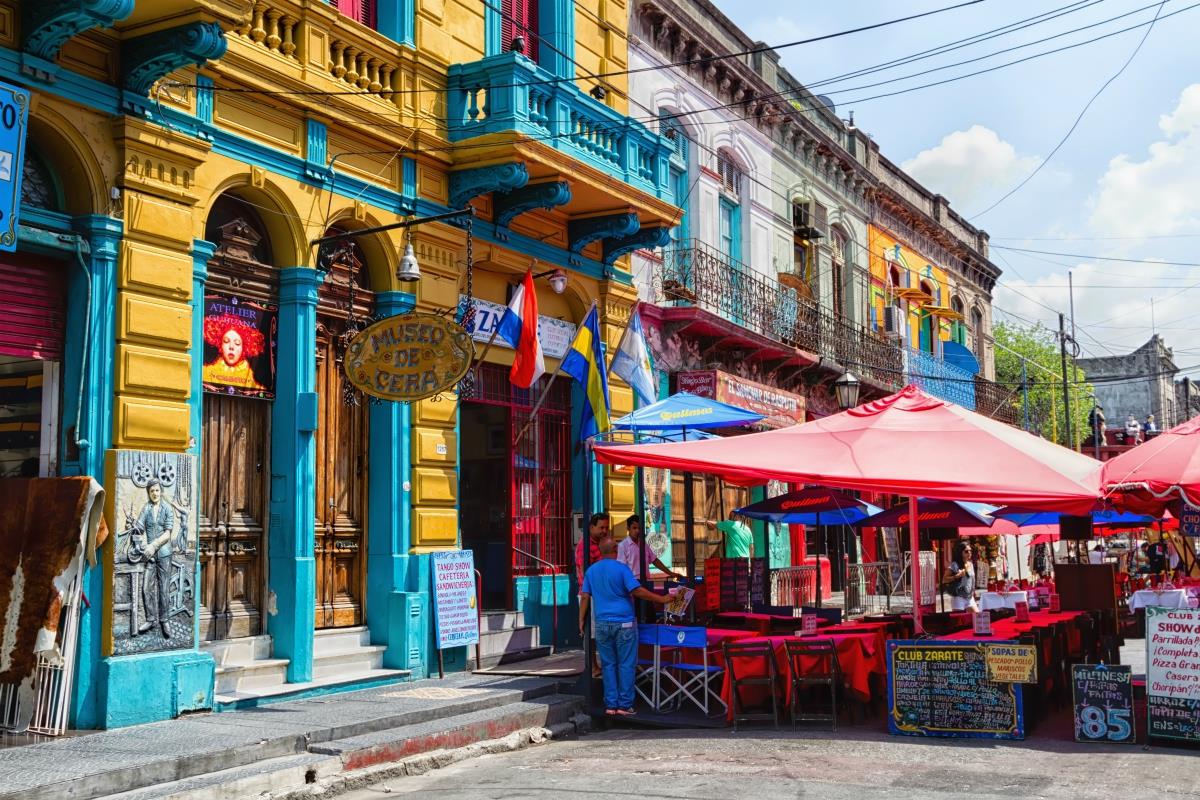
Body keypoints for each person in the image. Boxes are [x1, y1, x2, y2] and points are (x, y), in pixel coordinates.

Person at [579, 538, 672, 716]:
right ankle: (624, 705)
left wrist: (580, 619)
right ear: (615, 549)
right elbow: (636, 590)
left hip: (602, 623)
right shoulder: (622, 569)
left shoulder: (591, 571)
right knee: (626, 664)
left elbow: (584, 596)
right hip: (624, 623)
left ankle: (610, 704)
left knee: (608, 664)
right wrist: (661, 599)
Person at [132, 479, 177, 638]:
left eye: (157, 490)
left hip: (164, 553)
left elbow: (167, 534)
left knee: (163, 588)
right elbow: (139, 526)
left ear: (161, 491)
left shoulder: (167, 508)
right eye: (152, 491)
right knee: (146, 587)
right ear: (148, 493)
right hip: (150, 556)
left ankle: (165, 620)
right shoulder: (147, 508)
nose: (155, 494)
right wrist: (134, 528)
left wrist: (153, 546)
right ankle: (151, 619)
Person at [576, 512, 609, 677]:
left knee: (598, 632)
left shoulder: (600, 543)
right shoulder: (585, 546)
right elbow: (585, 572)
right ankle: (592, 666)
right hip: (590, 594)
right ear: (591, 527)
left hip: (599, 594)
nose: (604, 531)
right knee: (591, 632)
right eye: (601, 527)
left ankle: (597, 666)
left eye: (606, 527)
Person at [202, 315, 267, 391]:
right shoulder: (205, 373)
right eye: (226, 341)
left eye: (237, 343)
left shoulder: (252, 382)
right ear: (220, 345)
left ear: (244, 347)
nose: (231, 347)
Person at [618, 515, 683, 581]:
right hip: (632, 583)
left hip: (646, 581)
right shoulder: (623, 546)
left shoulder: (643, 544)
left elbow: (654, 560)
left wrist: (670, 573)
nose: (637, 531)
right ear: (628, 528)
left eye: (639, 528)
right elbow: (621, 568)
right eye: (634, 528)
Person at [944, 541, 978, 612]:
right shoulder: (955, 565)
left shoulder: (970, 564)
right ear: (960, 552)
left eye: (970, 551)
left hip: (969, 597)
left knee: (977, 616)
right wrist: (957, 576)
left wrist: (973, 592)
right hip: (958, 597)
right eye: (966, 551)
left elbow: (972, 580)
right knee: (957, 620)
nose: (969, 553)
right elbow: (944, 579)